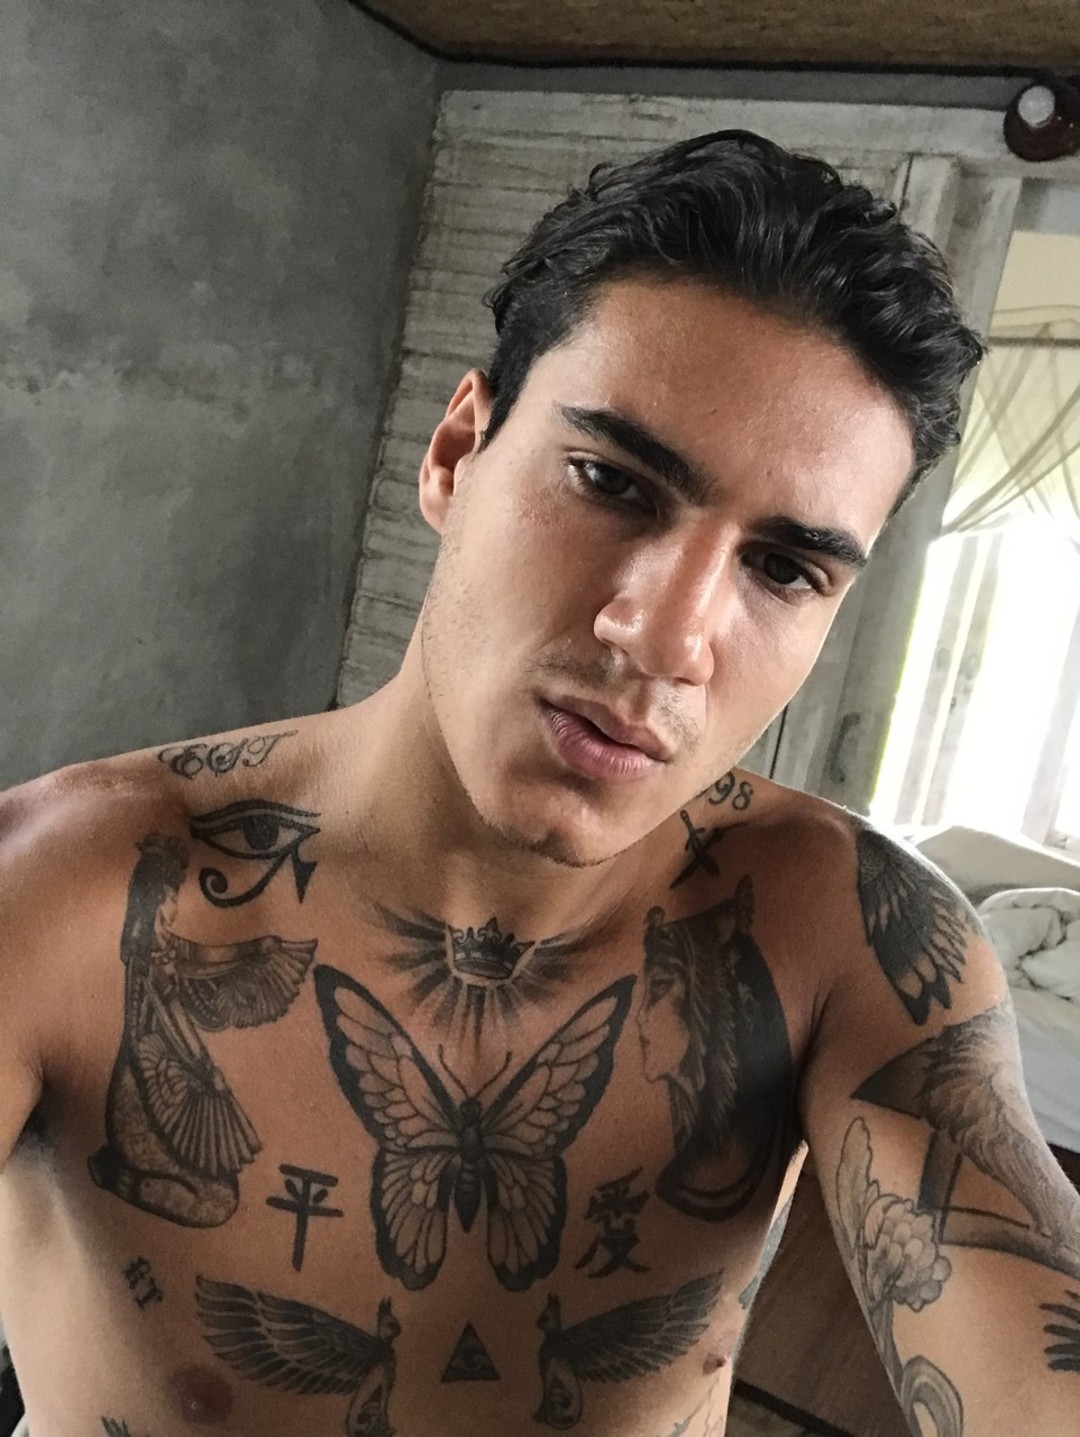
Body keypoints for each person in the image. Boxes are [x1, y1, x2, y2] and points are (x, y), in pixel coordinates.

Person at [1, 129, 1077, 1437]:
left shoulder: (842, 935)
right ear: (457, 452)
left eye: (783, 569)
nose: (668, 637)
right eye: (610, 483)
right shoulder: (62, 894)